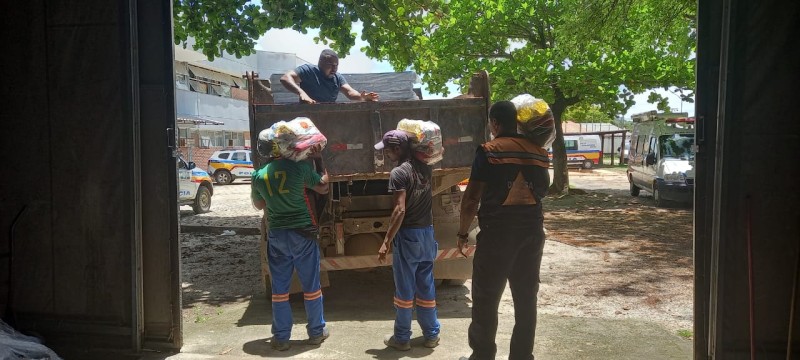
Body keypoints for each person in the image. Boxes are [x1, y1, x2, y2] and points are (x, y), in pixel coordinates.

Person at [457, 101, 551, 360]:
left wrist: (463, 233)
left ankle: (483, 355)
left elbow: (471, 197)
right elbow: (543, 190)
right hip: (532, 235)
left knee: (486, 299)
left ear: (495, 123)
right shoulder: (540, 153)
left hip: (497, 236)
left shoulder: (489, 150)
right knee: (525, 299)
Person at [251, 142, 331, 351]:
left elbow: (259, 205)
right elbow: (323, 187)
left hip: (277, 235)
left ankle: (281, 337)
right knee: (311, 287)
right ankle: (316, 333)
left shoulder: (258, 175)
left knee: (279, 290)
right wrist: (319, 160)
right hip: (302, 234)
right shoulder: (299, 168)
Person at [375, 130, 441, 351]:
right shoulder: (426, 167)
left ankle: (402, 338)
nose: (385, 154)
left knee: (404, 291)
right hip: (427, 234)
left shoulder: (399, 173)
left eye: (386, 149)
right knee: (426, 287)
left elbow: (400, 209)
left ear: (397, 149)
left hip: (409, 236)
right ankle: (431, 334)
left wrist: (386, 240)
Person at [280, 49, 380, 104]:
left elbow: (349, 92)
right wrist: (301, 93)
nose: (334, 69)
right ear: (320, 63)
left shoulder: (337, 77)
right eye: (330, 65)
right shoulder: (308, 70)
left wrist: (362, 97)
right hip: (308, 118)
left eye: (336, 65)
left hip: (329, 117)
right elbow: (285, 78)